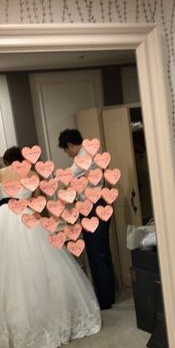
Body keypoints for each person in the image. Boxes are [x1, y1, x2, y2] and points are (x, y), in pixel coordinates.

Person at [0, 146, 101, 348]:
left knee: (6, 272)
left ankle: (12, 329)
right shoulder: (33, 174)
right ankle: (46, 319)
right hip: (27, 217)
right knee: (39, 269)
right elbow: (39, 205)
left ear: (6, 161)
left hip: (1, 219)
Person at [58, 129, 116, 310]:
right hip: (103, 204)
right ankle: (109, 293)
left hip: (91, 207)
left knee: (96, 252)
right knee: (104, 250)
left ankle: (104, 299)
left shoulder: (82, 159)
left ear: (70, 145)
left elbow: (64, 177)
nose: (68, 154)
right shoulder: (95, 153)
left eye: (66, 150)